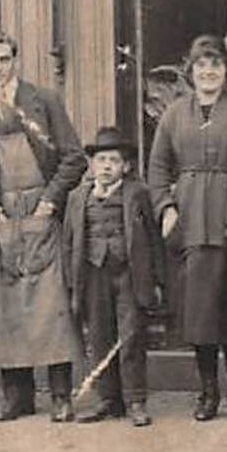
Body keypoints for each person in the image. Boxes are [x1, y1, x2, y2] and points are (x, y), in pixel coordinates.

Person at [0, 31, 86, 423]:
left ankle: (61, 395)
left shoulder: (44, 101)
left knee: (51, 308)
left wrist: (49, 202)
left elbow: (74, 158)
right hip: (3, 218)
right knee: (9, 310)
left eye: (4, 59)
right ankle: (16, 397)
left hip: (41, 212)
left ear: (15, 60)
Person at [148, 35, 227, 422]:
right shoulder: (174, 114)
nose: (208, 72)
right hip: (191, 219)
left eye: (215, 65)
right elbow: (157, 167)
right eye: (201, 65)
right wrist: (166, 207)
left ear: (226, 71)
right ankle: (208, 393)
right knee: (200, 311)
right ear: (190, 71)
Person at [63, 125, 164, 427]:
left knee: (131, 336)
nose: (106, 167)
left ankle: (135, 400)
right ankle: (109, 399)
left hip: (129, 275)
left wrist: (157, 280)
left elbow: (154, 239)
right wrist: (71, 282)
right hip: (93, 274)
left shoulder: (138, 194)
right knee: (99, 335)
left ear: (126, 166)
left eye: (114, 161)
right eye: (101, 160)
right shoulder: (77, 198)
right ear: (92, 165)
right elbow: (70, 242)